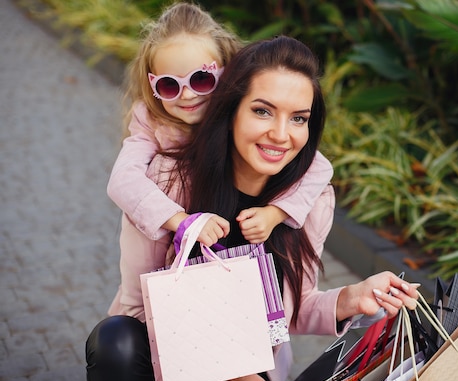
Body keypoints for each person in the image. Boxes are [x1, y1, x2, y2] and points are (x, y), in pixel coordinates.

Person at [86, 35, 420, 381]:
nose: (281, 135)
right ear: (230, 111)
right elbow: (141, 309)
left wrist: (353, 298)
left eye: (298, 118)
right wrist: (232, 373)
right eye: (263, 111)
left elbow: (295, 306)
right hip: (162, 364)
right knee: (114, 342)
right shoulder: (166, 183)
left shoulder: (309, 201)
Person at [106, 2, 335, 320]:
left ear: (230, 77)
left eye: (201, 79)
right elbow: (122, 181)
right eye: (169, 85)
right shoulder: (158, 144)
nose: (187, 96)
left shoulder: (267, 147)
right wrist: (181, 221)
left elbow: (320, 166)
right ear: (153, 87)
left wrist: (275, 214)